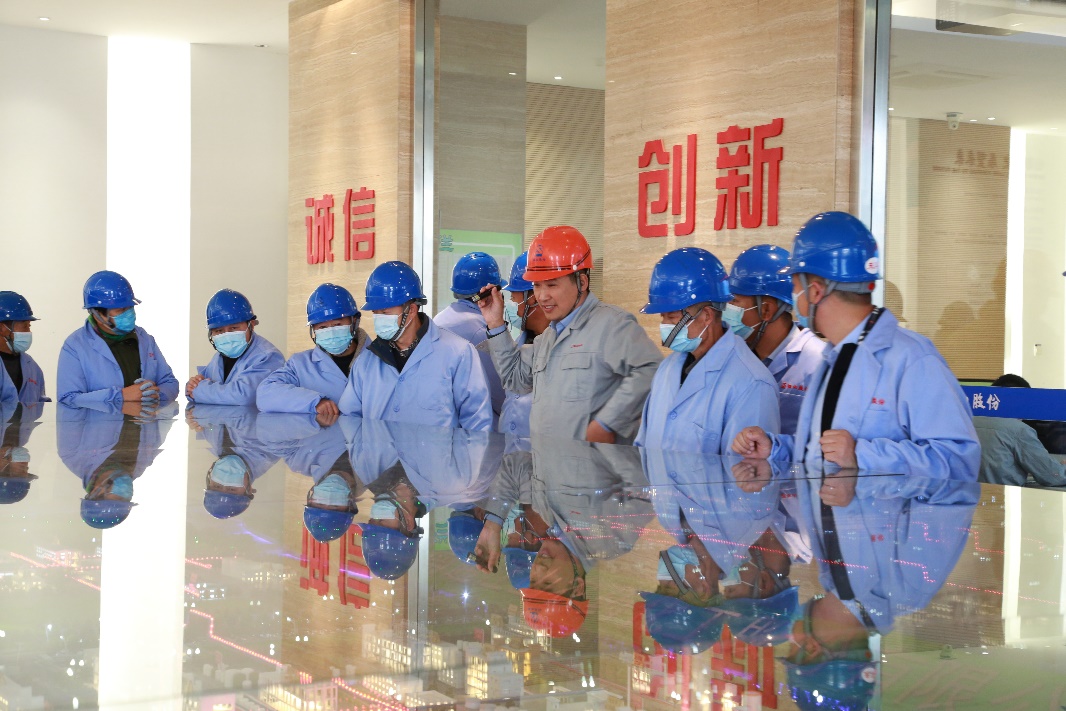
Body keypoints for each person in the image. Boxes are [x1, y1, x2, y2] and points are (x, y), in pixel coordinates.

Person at [732, 212, 981, 479]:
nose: (794, 298)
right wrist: (776, 448)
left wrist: (861, 455)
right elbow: (825, 452)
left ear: (815, 291)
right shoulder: (835, 356)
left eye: (795, 287)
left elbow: (958, 460)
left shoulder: (913, 359)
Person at [477, 225, 662, 444]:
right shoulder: (548, 337)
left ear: (582, 282)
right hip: (547, 462)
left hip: (592, 464)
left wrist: (608, 423)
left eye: (552, 285)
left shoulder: (612, 325)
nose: (542, 296)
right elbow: (514, 379)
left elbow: (650, 369)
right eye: (537, 285)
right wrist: (495, 323)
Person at [635, 247, 780, 454]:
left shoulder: (752, 384)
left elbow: (747, 470)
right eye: (662, 317)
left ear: (706, 316)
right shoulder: (667, 369)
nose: (665, 325)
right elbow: (643, 445)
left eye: (672, 317)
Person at [338, 261, 492, 431]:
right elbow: (349, 419)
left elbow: (477, 424)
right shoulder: (367, 362)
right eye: (375, 313)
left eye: (385, 312)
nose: (379, 319)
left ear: (411, 309)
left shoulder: (458, 354)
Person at [726, 245, 826, 434]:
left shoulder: (818, 362)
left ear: (766, 310)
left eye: (734, 302)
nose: (726, 311)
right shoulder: (736, 356)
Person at [58, 271, 179, 410]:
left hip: (144, 422)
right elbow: (68, 399)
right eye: (121, 310)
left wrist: (157, 394)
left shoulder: (144, 338)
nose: (129, 314)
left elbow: (169, 382)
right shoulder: (75, 346)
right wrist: (120, 396)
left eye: (130, 307)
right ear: (98, 314)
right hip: (100, 424)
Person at [257, 283, 369, 418]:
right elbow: (265, 393)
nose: (331, 332)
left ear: (354, 321)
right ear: (313, 330)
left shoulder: (379, 359)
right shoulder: (300, 364)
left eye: (337, 324)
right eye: (322, 327)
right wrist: (313, 402)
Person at [434, 252, 508, 425]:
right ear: (489, 292)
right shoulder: (481, 331)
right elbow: (502, 396)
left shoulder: (441, 318)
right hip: (474, 428)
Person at [186, 289, 284, 406]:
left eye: (233, 328)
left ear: (251, 325)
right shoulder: (218, 357)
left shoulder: (268, 356)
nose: (227, 336)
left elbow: (243, 396)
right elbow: (196, 387)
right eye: (219, 331)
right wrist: (192, 386)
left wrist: (200, 391)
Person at [974, 374, 1066, 487]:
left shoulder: (967, 422)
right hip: (1004, 495)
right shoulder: (1018, 430)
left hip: (968, 495)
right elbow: (1053, 476)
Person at [497, 252, 549, 436]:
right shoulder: (523, 339)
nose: (511, 304)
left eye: (514, 297)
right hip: (512, 447)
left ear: (532, 298)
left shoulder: (561, 344)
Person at [0, 291, 47, 406]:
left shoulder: (32, 367)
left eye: (29, 326)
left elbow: (41, 403)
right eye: (25, 326)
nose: (29, 332)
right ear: (2, 328)